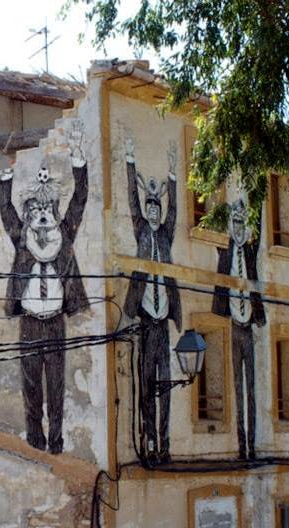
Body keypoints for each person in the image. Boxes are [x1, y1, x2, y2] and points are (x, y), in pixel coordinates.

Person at [0, 120, 89, 455]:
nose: (41, 216)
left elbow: (79, 200)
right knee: (31, 385)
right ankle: (34, 438)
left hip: (55, 322)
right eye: (35, 210)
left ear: (54, 213)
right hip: (29, 322)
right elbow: (6, 210)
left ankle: (57, 440)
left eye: (46, 209)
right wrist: (5, 175)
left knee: (57, 385)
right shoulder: (22, 241)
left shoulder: (64, 238)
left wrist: (78, 160)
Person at [122, 137, 182, 463]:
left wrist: (173, 174)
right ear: (146, 213)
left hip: (163, 324)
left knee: (166, 385)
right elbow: (132, 200)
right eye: (151, 209)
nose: (155, 213)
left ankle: (165, 443)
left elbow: (175, 212)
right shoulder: (141, 231)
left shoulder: (166, 235)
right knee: (146, 384)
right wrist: (130, 161)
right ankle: (148, 439)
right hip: (145, 321)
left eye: (158, 209)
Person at [212, 200, 266, 459]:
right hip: (233, 324)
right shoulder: (224, 251)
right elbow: (212, 226)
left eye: (242, 223)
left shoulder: (251, 251)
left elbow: (260, 229)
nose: (239, 228)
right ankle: (241, 442)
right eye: (235, 222)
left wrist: (257, 195)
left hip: (248, 326)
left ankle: (252, 444)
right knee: (237, 387)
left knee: (251, 389)